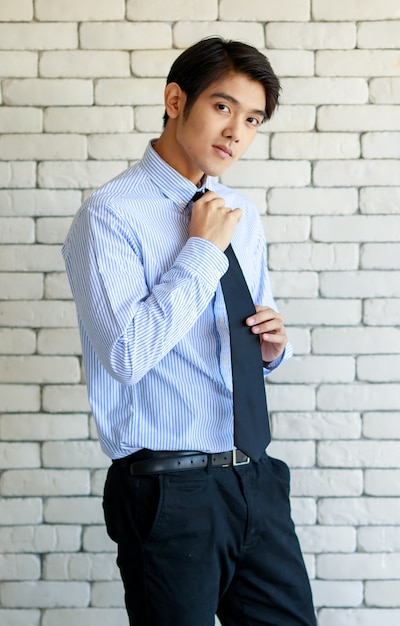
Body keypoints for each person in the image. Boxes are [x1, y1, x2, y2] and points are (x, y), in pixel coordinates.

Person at [62, 37, 316, 626]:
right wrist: (201, 251)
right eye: (223, 108)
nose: (236, 132)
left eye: (252, 119)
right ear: (176, 100)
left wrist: (271, 347)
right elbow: (126, 353)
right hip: (169, 494)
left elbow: (243, 330)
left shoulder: (239, 213)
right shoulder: (110, 215)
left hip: (256, 479)